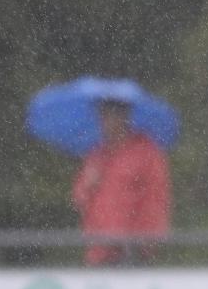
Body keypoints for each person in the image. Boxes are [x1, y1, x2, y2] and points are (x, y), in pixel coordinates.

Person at [73, 100, 171, 266]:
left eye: (107, 116)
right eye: (101, 116)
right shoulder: (96, 153)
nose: (102, 122)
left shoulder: (146, 152)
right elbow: (79, 198)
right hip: (99, 250)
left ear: (123, 117)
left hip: (132, 249)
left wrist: (147, 240)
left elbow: (156, 197)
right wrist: (88, 185)